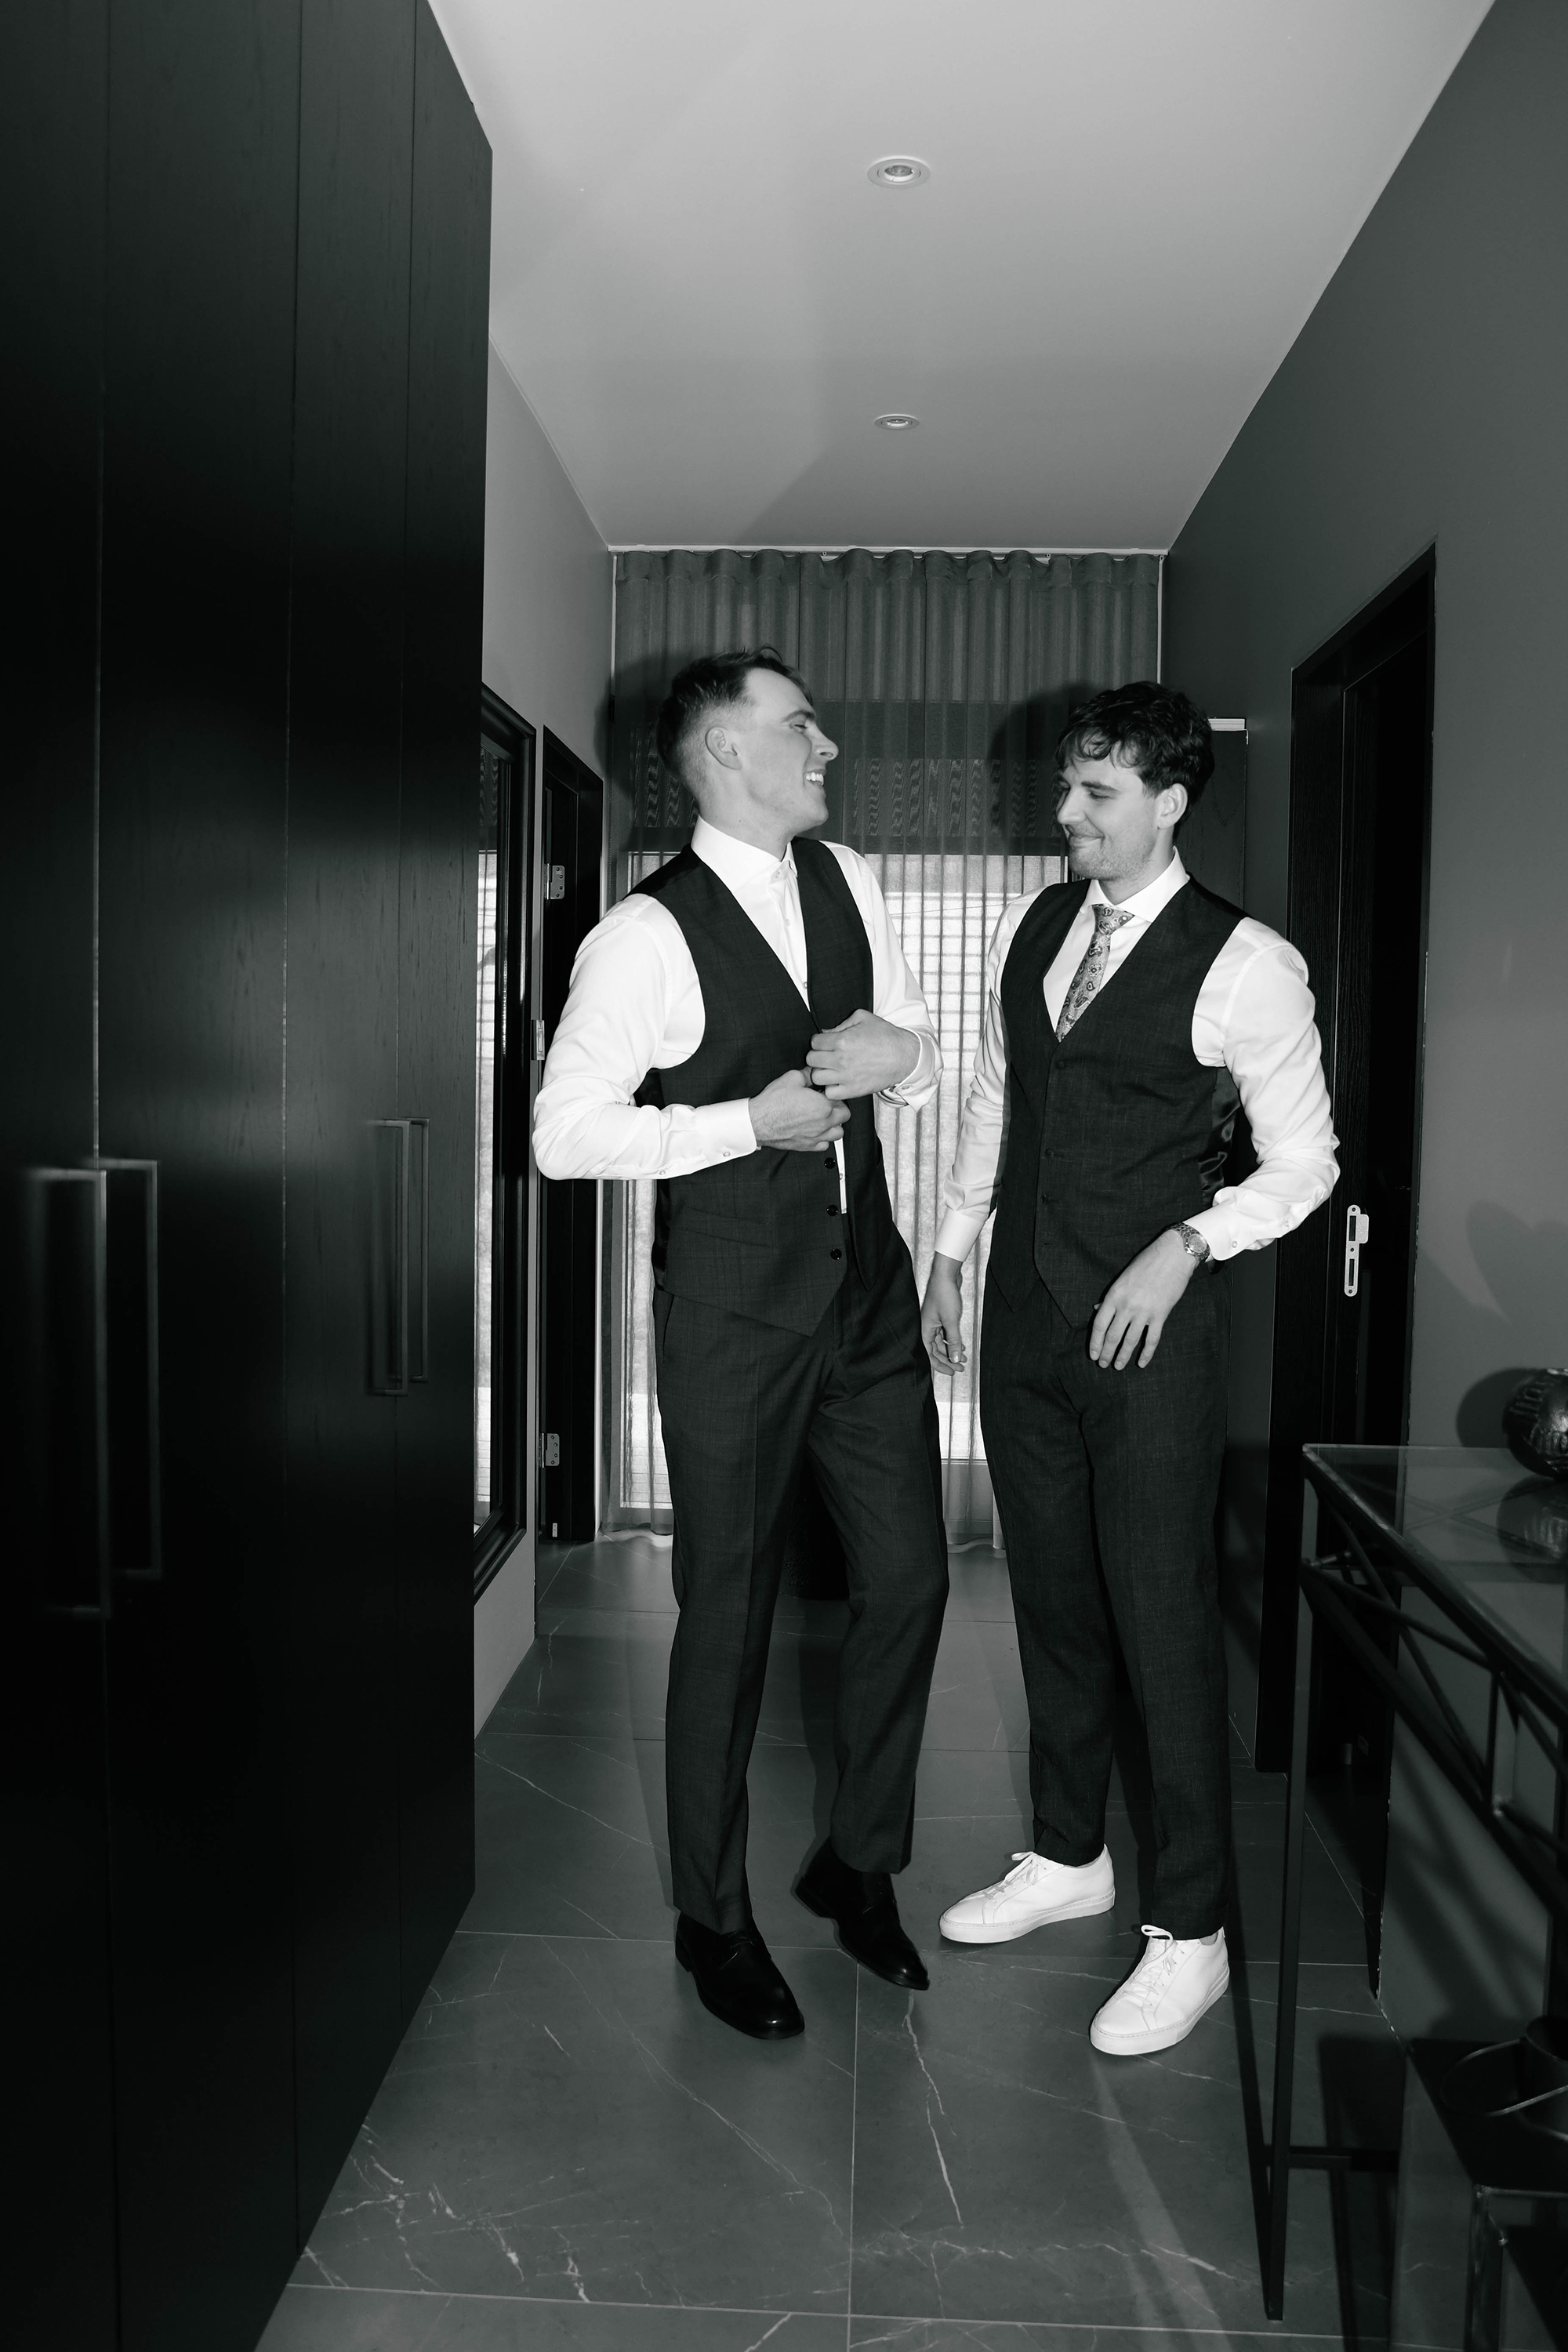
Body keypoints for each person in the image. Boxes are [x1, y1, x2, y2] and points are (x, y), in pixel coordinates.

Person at [533, 648, 949, 2041]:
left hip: (868, 1296)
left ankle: (858, 1864)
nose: (826, 747)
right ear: (723, 753)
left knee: (911, 1579)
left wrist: (906, 1059)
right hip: (731, 1315)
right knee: (731, 1611)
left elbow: (910, 1043)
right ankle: (713, 1919)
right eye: (800, 727)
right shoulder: (641, 937)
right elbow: (565, 1134)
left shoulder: (852, 881)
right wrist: (739, 1125)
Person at [922, 681, 1338, 2057]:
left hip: (1151, 1339)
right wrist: (953, 1247)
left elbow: (1306, 1164)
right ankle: (1068, 1854)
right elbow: (1002, 1094)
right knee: (1051, 1597)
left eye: (1095, 793)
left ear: (1170, 801)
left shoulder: (1248, 963)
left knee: (1161, 1618)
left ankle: (1194, 1930)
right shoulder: (1039, 927)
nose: (1066, 813)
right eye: (1066, 786)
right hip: (1027, 1322)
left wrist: (1188, 1243)